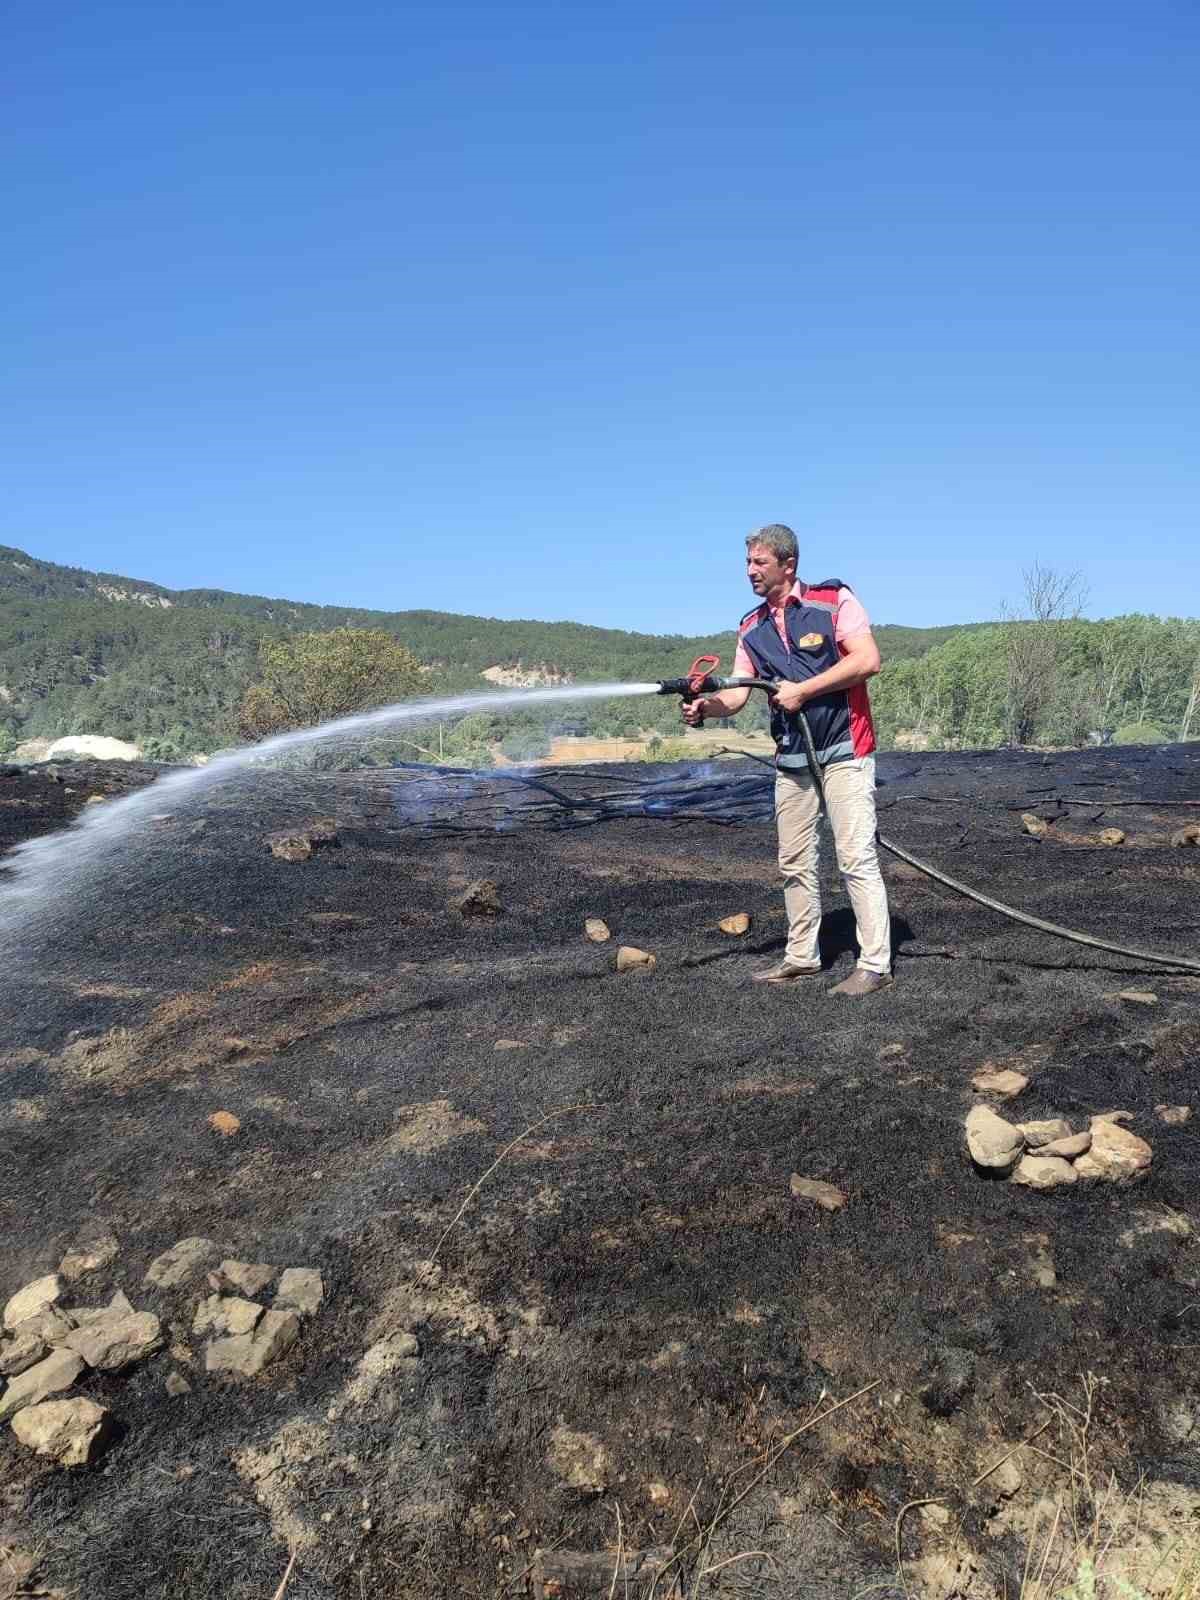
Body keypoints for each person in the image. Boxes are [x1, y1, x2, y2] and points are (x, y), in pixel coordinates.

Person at [683, 524, 893, 996]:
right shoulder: (751, 627)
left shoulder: (833, 601)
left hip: (844, 749)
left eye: (760, 563)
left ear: (788, 565)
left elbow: (867, 660)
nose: (750, 572)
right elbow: (737, 696)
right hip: (793, 756)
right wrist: (704, 710)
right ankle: (802, 957)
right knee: (794, 860)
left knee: (855, 857)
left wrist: (804, 690)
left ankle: (874, 964)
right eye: (747, 563)